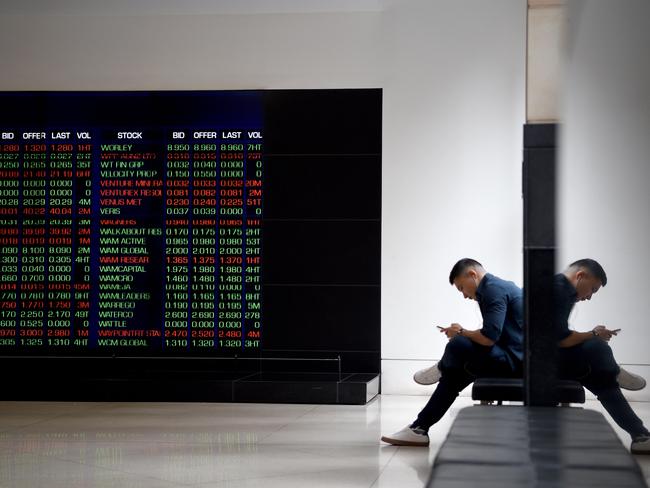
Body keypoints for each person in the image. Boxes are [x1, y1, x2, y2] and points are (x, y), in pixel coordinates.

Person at [381, 258, 523, 446]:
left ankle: (442, 367)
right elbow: (492, 335)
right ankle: (419, 429)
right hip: (511, 354)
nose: (464, 295)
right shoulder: (495, 287)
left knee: (458, 344)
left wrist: (461, 332)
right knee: (453, 377)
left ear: (472, 274)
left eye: (461, 287)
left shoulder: (492, 290)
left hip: (516, 360)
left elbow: (489, 337)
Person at [555, 259, 649, 454]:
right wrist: (594, 334)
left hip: (540, 355)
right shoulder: (560, 289)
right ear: (580, 275)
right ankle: (614, 371)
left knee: (601, 377)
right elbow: (561, 340)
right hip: (533, 359)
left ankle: (640, 435)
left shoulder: (559, 287)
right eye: (592, 289)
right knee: (597, 348)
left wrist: (592, 334)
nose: (589, 297)